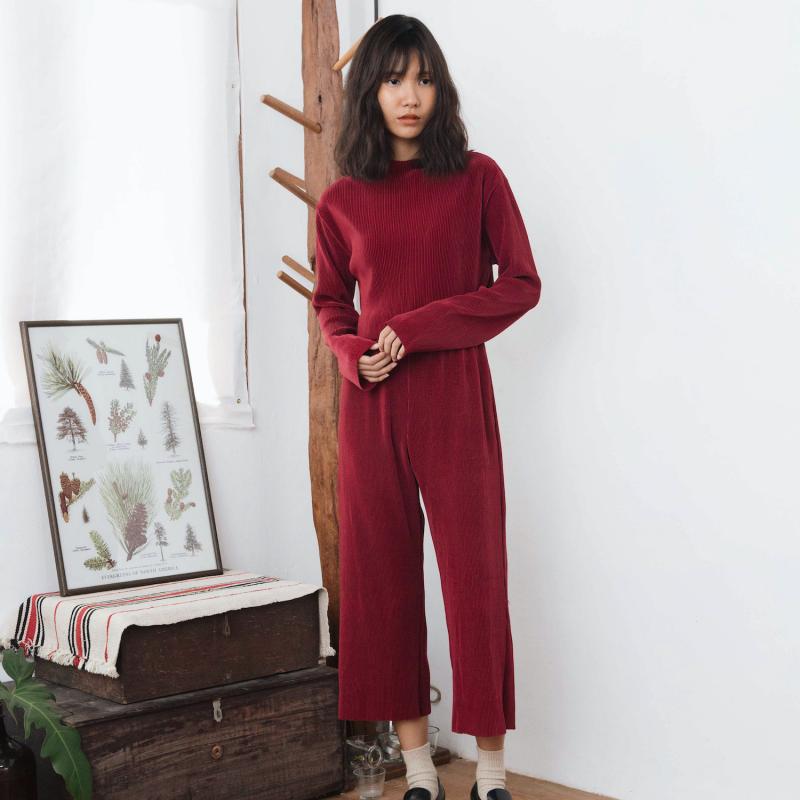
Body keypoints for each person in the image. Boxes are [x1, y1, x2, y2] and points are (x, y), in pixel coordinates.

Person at [310, 14, 541, 800]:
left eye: (425, 78)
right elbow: (331, 303)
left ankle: (490, 773)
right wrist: (353, 354)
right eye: (393, 78)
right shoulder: (342, 200)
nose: (410, 95)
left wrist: (415, 327)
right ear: (369, 91)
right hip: (372, 408)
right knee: (382, 585)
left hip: (455, 400)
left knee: (476, 579)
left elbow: (521, 284)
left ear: (441, 90)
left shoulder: (478, 179)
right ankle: (416, 772)